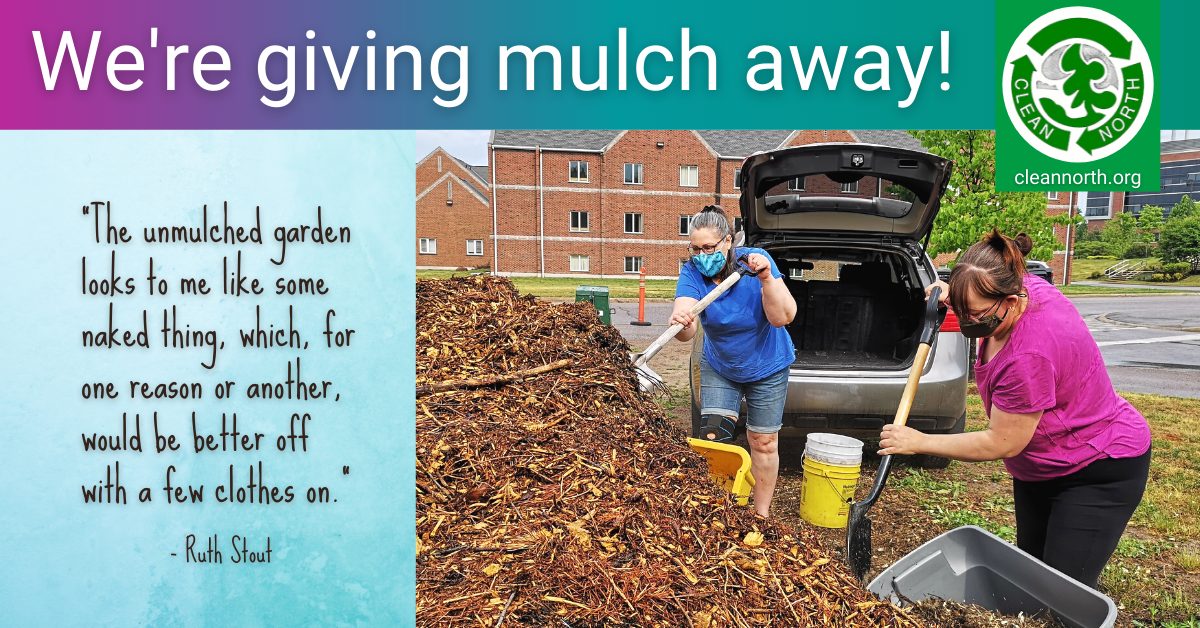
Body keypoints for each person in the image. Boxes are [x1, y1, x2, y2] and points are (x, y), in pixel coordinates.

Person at [878, 229, 1151, 589]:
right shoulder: (1020, 286)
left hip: (1097, 466)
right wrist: (950, 291)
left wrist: (918, 441)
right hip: (1041, 468)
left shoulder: (1028, 356)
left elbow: (1002, 442)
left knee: (1063, 592)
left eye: (973, 312)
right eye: (960, 308)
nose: (966, 320)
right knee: (1031, 575)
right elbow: (979, 284)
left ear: (1009, 299)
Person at [670, 205, 797, 517]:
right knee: (713, 440)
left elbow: (784, 317)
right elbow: (686, 333)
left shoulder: (753, 262)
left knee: (763, 442)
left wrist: (767, 277)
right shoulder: (691, 272)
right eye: (695, 248)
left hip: (767, 365)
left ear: (727, 242)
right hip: (720, 366)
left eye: (708, 248)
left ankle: (761, 514)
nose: (701, 255)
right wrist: (682, 321)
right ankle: (720, 512)